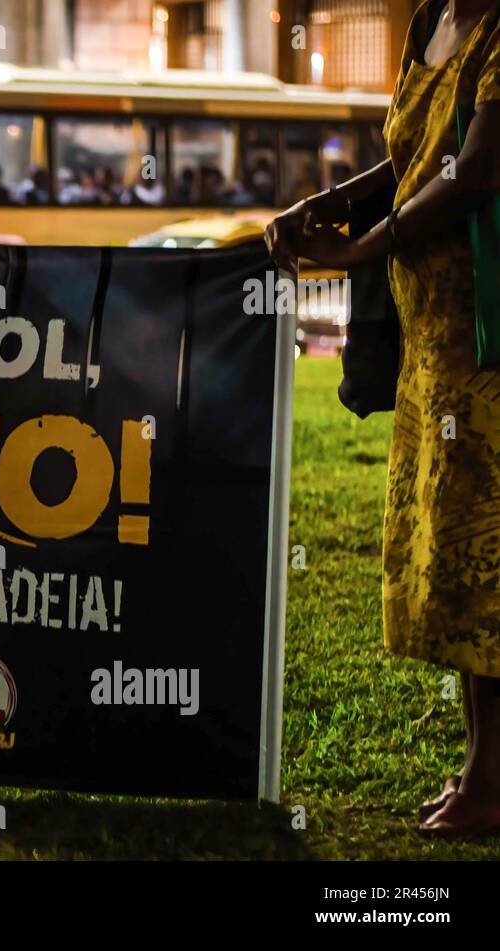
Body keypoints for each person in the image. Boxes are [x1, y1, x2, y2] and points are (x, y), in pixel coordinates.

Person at [266, 0, 500, 838]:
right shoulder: (431, 20)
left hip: (490, 342)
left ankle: (490, 779)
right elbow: (412, 159)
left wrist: (367, 246)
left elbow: (475, 169)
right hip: (436, 347)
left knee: (490, 563)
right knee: (459, 567)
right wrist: (329, 203)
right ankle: (486, 764)